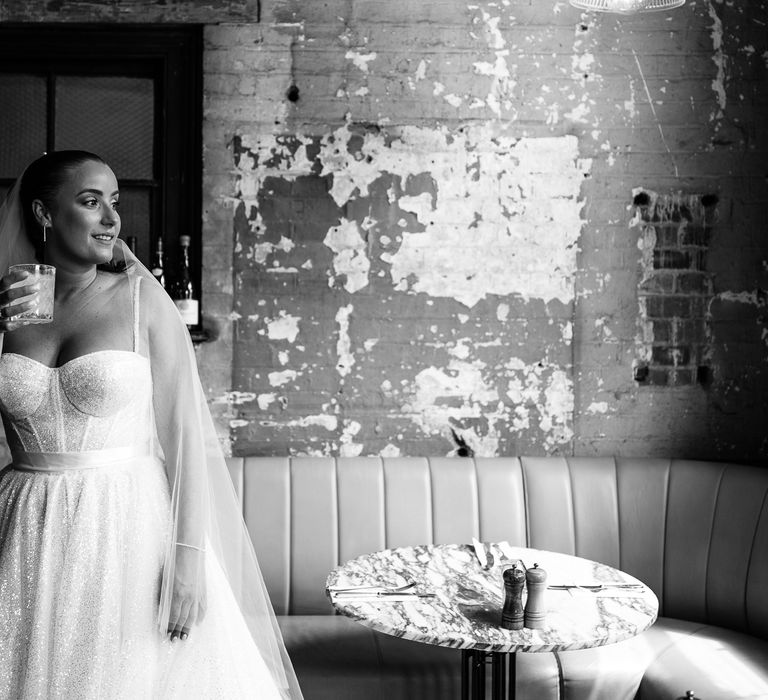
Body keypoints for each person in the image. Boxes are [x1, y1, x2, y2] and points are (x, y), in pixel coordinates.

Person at [0, 151, 303, 700]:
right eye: (91, 202)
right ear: (44, 214)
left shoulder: (142, 300)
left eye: (114, 202)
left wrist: (189, 560)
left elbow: (184, 436)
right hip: (23, 525)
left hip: (125, 529)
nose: (112, 220)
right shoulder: (11, 305)